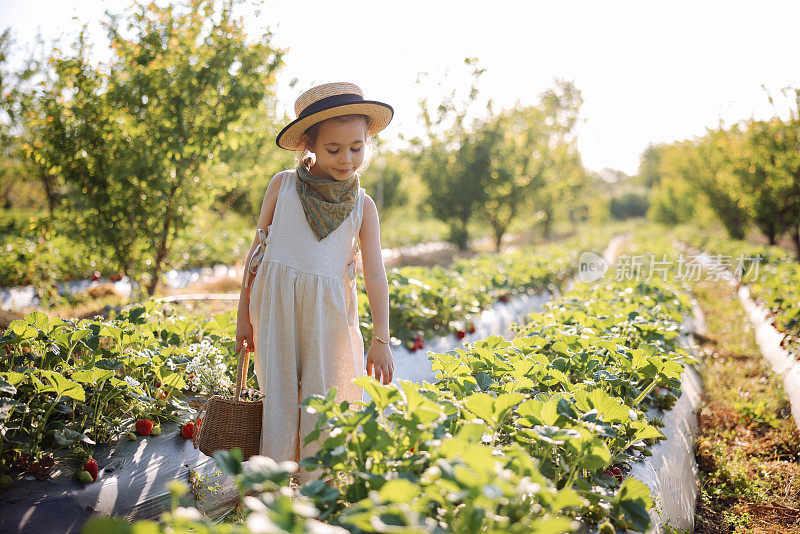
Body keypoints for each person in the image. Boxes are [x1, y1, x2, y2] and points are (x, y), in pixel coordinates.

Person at [234, 82, 394, 485]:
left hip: (329, 319)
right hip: (276, 313)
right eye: (333, 149)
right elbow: (256, 257)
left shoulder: (363, 206)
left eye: (356, 147)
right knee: (280, 398)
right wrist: (242, 316)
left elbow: (375, 274)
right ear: (308, 144)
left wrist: (382, 338)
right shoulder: (282, 187)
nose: (347, 159)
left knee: (321, 401)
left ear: (367, 141)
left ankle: (315, 499)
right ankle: (270, 496)